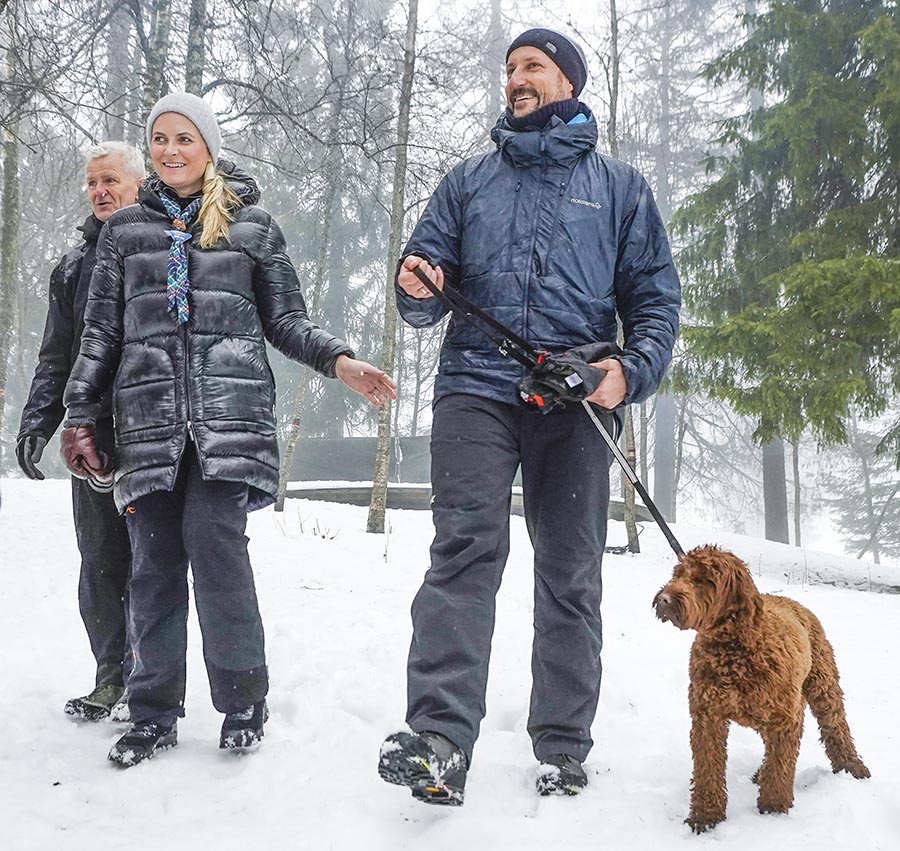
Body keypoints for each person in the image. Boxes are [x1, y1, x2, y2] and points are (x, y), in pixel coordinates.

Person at [378, 28, 680, 804]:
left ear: (569, 85)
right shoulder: (468, 181)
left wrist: (625, 372)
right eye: (510, 68)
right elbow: (423, 278)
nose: (516, 78)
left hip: (576, 399)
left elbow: (655, 303)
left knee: (571, 571)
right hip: (476, 386)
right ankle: (440, 738)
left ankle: (564, 740)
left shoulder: (620, 188)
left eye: (533, 67)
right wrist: (417, 285)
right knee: (463, 551)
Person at [61, 92, 397, 768]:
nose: (170, 150)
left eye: (184, 138)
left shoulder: (252, 228)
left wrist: (339, 360)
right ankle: (153, 710)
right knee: (152, 564)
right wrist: (77, 414)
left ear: (209, 146)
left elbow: (286, 321)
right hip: (149, 426)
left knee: (216, 552)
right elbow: (99, 335)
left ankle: (244, 699)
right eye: (160, 139)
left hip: (229, 424)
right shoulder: (125, 233)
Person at [17, 141, 145, 722]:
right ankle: (110, 676)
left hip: (152, 431)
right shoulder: (72, 266)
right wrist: (38, 422)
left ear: (139, 185)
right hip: (90, 435)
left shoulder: (164, 249)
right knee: (98, 562)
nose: (100, 191)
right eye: (93, 182)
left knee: (153, 562)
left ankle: (152, 682)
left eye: (111, 180)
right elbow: (55, 356)